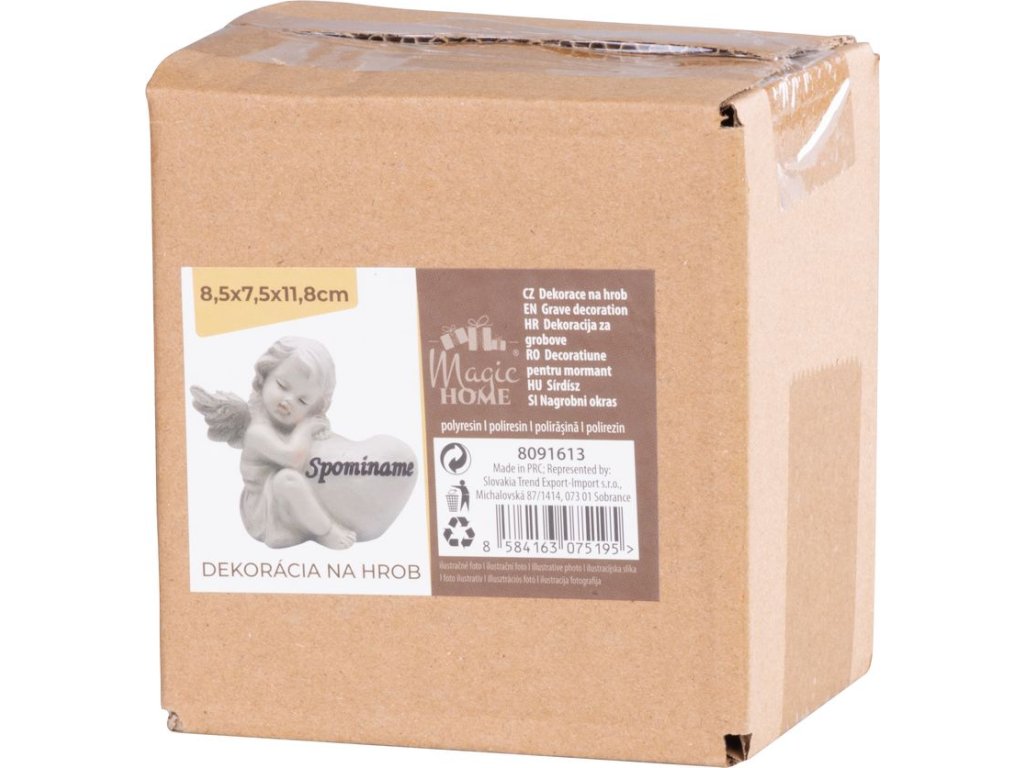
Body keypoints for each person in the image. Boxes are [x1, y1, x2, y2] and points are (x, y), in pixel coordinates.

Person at [191, 337, 356, 549]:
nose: (287, 401)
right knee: (287, 479)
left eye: (303, 401)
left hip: (287, 504)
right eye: (282, 385)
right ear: (265, 376)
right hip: (265, 511)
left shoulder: (290, 425)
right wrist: (307, 428)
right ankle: (327, 530)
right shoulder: (257, 431)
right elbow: (293, 458)